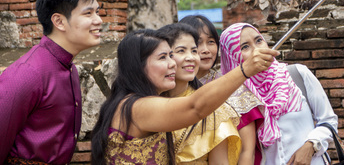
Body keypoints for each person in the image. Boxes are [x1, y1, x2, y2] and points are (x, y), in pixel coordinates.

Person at [90, 28, 279, 165]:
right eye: (163, 57)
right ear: (138, 66)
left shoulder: (132, 102)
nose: (172, 64)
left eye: (171, 56)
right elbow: (194, 107)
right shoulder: (136, 107)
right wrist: (245, 70)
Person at [0, 0, 103, 165]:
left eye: (97, 11)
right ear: (59, 21)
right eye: (88, 13)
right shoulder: (27, 74)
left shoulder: (68, 68)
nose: (98, 20)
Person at [220, 23, 338, 165]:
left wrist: (310, 146)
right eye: (245, 47)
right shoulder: (236, 99)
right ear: (232, 56)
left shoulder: (297, 74)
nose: (257, 49)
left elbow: (329, 120)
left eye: (259, 40)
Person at [180, 15, 265, 164]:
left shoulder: (235, 89)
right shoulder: (173, 90)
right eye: (198, 43)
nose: (206, 50)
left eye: (211, 42)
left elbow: (247, 151)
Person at [160, 23, 241, 164]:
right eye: (181, 51)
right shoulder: (147, 103)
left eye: (193, 51)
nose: (191, 57)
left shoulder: (213, 109)